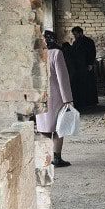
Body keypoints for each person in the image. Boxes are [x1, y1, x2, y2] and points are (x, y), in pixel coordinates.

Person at [36, 30, 73, 167]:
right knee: (58, 127)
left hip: (40, 97)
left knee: (44, 129)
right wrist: (67, 99)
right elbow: (62, 78)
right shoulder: (57, 53)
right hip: (56, 96)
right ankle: (57, 159)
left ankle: (44, 159)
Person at [71, 26, 98, 110]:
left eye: (76, 34)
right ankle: (81, 102)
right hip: (78, 67)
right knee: (80, 85)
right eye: (74, 34)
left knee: (88, 84)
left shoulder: (89, 41)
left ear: (80, 33)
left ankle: (90, 102)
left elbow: (92, 53)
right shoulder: (75, 42)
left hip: (86, 65)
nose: (74, 36)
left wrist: (90, 64)